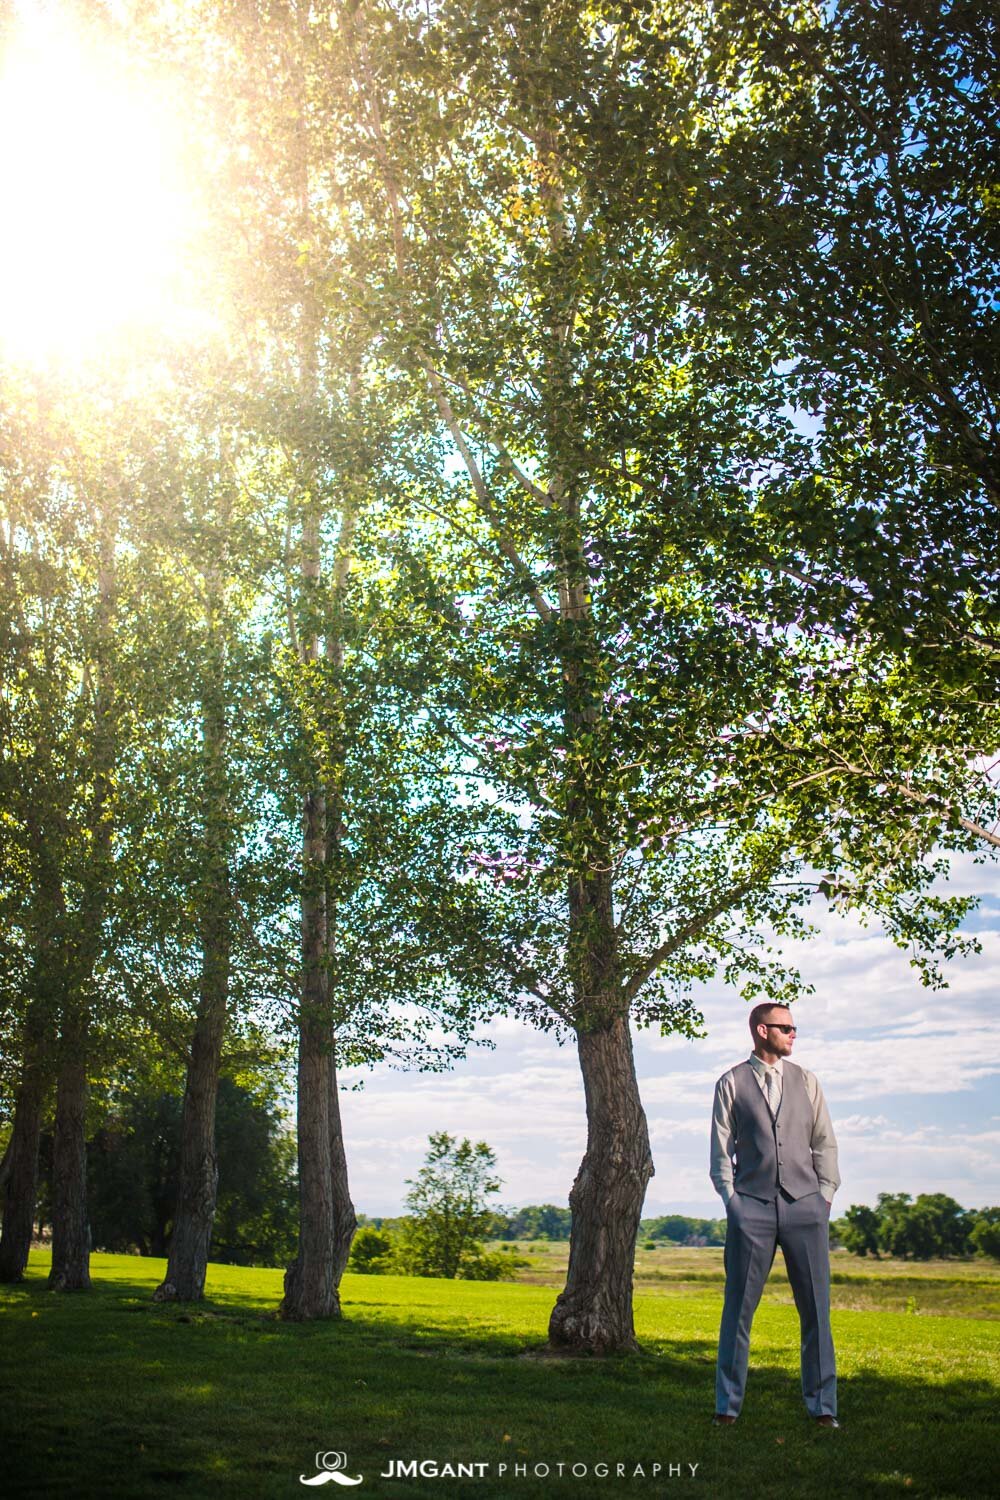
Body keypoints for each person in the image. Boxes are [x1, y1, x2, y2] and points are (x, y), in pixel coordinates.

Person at [709, 1002, 840, 1428]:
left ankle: (823, 1408)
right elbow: (721, 1153)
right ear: (763, 1031)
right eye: (786, 1027)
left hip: (806, 1207)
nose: (793, 1034)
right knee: (738, 1311)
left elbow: (825, 1143)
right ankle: (727, 1408)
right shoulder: (731, 1083)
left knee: (816, 1311)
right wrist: (734, 1203)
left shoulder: (807, 1081)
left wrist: (824, 1196)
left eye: (794, 1027)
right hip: (753, 1210)